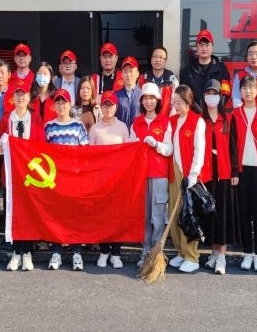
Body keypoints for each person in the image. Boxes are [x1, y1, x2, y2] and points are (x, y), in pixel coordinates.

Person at [0, 82, 44, 271]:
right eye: (17, 95)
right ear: (12, 98)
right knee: (13, 213)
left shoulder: (35, 118)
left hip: (31, 175)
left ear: (29, 97)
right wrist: (0, 147)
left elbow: (41, 147)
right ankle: (16, 252)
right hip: (12, 175)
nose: (20, 98)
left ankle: (28, 252)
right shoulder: (6, 119)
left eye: (23, 95)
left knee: (29, 213)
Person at [229, 75, 257, 272]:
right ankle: (247, 253)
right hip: (242, 170)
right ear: (240, 91)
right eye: (244, 88)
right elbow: (232, 145)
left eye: (251, 88)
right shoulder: (235, 113)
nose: (248, 91)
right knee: (244, 214)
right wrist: (234, 171)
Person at [44, 88, 90, 270]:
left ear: (70, 105)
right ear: (54, 106)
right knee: (55, 215)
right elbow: (42, 153)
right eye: (58, 102)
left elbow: (85, 153)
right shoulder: (48, 126)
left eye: (64, 102)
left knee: (74, 215)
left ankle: (76, 252)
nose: (61, 105)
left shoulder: (78, 126)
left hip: (74, 179)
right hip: (55, 179)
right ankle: (56, 252)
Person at [129, 82, 173, 267]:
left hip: (159, 174)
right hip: (140, 175)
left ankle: (157, 252)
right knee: (144, 216)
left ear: (158, 101)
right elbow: (129, 149)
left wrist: (156, 144)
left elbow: (169, 149)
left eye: (152, 98)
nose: (148, 102)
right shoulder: (136, 123)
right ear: (141, 101)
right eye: (145, 98)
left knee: (158, 215)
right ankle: (146, 250)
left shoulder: (165, 122)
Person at [167, 85, 210, 273]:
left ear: (188, 101)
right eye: (174, 102)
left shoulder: (197, 121)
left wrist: (193, 174)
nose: (175, 106)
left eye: (179, 102)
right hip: (174, 172)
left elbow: (199, 151)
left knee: (188, 215)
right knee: (174, 213)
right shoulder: (172, 121)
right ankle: (181, 251)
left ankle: (192, 256)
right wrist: (157, 145)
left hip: (189, 174)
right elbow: (169, 147)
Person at [88, 90, 130, 269]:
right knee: (103, 216)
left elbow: (129, 153)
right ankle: (104, 251)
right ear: (101, 107)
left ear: (116, 107)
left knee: (117, 216)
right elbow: (90, 156)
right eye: (105, 105)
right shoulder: (95, 128)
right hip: (101, 180)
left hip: (119, 179)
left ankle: (116, 253)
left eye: (111, 105)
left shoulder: (123, 127)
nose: (108, 108)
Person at [199, 79, 237, 275]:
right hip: (206, 173)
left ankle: (222, 254)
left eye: (215, 93)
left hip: (224, 173)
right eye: (208, 93)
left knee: (223, 213)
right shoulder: (200, 119)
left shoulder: (228, 118)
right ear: (204, 96)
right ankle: (213, 252)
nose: (211, 97)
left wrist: (235, 171)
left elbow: (233, 147)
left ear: (220, 97)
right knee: (210, 214)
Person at [179, 30, 229, 108]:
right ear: (196, 47)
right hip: (194, 114)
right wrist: (199, 111)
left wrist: (216, 110)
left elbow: (226, 93)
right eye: (201, 45)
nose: (204, 48)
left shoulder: (221, 68)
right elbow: (185, 95)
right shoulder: (187, 71)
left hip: (215, 113)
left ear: (212, 47)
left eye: (207, 45)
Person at [142, 46, 178, 117]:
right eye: (155, 57)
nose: (158, 60)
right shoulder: (143, 79)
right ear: (151, 60)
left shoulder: (172, 80)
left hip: (166, 120)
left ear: (165, 61)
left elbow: (175, 104)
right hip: (147, 120)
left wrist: (169, 121)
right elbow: (138, 102)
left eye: (161, 57)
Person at [115, 56, 142, 127]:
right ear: (121, 75)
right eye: (125, 71)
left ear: (137, 74)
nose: (128, 75)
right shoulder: (116, 95)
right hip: (120, 132)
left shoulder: (143, 95)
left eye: (131, 71)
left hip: (137, 132)